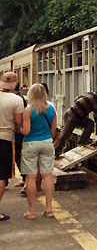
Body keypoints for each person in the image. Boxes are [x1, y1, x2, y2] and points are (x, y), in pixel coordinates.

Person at [20, 83, 58, 219]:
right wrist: (49, 138)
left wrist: (19, 128)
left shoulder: (28, 110)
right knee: (47, 175)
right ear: (44, 94)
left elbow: (27, 131)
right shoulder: (51, 109)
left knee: (31, 177)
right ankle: (49, 209)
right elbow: (53, 130)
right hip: (47, 142)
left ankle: (31, 211)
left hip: (31, 143)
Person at [0, 72, 24, 221]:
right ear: (15, 84)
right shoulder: (17, 100)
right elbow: (18, 123)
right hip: (6, 140)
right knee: (2, 177)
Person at [59, 82, 97, 150]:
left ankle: (81, 143)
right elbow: (96, 115)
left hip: (73, 115)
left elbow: (76, 99)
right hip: (72, 117)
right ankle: (54, 153)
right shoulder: (96, 99)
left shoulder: (90, 94)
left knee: (89, 124)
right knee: (64, 136)